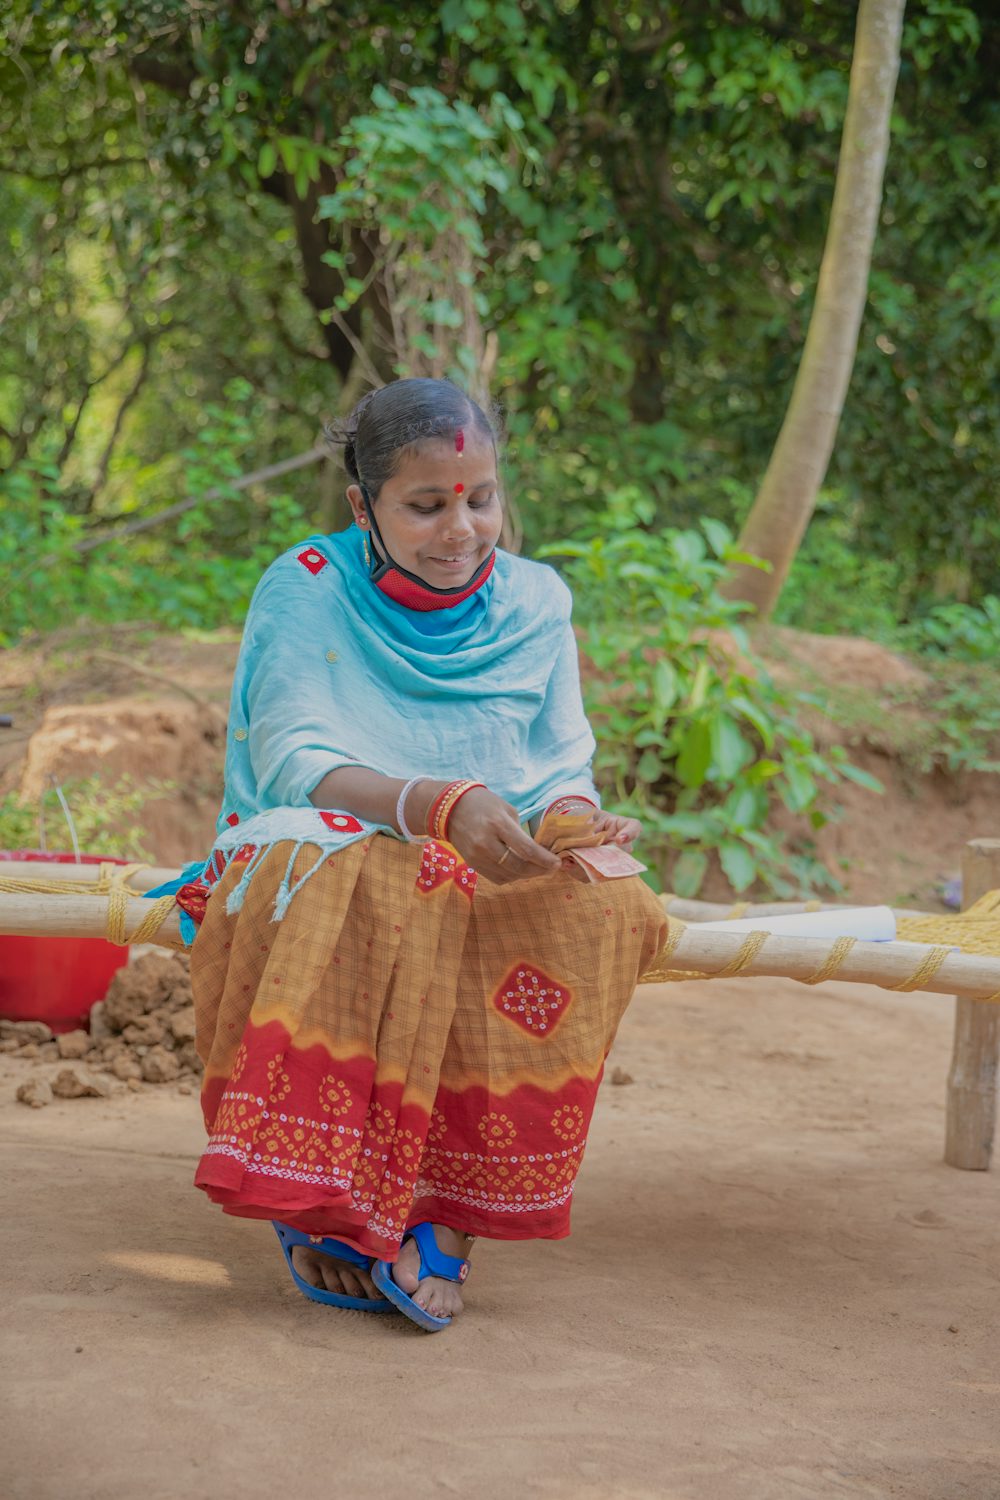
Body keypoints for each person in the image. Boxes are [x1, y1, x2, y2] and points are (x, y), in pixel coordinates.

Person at [185, 377, 668, 1332]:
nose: (462, 529)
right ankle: (327, 1194)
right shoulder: (309, 586)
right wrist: (433, 805)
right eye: (425, 504)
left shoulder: (537, 599)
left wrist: (576, 821)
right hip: (338, 835)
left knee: (615, 907)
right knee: (382, 880)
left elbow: (559, 762)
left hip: (485, 850)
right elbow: (294, 762)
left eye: (481, 498)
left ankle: (450, 1213)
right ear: (364, 505)